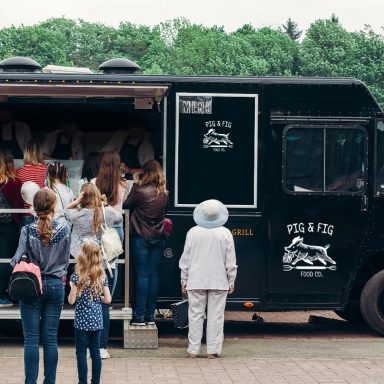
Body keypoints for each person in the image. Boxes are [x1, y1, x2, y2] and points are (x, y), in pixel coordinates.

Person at [11, 188, 71, 383]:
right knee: (51, 339)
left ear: (34, 207)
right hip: (55, 285)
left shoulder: (27, 230)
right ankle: (50, 381)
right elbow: (65, 261)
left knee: (31, 340)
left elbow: (15, 261)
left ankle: (30, 381)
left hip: (31, 286)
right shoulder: (64, 230)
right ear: (53, 205)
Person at [65, 183, 122, 359]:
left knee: (82, 302)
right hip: (103, 265)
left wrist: (76, 201)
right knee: (104, 304)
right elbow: (119, 217)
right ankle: (101, 347)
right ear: (97, 196)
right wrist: (105, 203)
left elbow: (65, 211)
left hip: (82, 265)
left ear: (83, 197)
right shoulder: (106, 213)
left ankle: (86, 346)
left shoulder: (78, 214)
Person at [179, 199, 237, 359]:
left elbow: (185, 260)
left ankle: (193, 349)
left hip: (196, 280)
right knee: (216, 315)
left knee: (195, 314)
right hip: (219, 281)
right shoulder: (225, 233)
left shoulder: (193, 232)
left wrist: (184, 280)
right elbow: (230, 261)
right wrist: (231, 280)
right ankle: (213, 350)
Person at [92, 151, 130, 357]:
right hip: (115, 232)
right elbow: (120, 212)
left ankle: (93, 345)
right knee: (107, 287)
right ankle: (101, 346)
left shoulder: (92, 182)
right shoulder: (124, 186)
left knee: (94, 283)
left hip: (96, 229)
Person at [123, 160, 168, 325]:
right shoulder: (163, 192)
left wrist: (135, 184)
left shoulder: (141, 191)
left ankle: (139, 316)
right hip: (158, 237)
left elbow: (126, 204)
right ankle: (150, 315)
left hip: (141, 237)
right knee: (153, 275)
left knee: (142, 276)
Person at [68, 239, 111, 384]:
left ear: (82, 255)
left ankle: (82, 382)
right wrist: (97, 298)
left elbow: (71, 301)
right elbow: (108, 299)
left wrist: (72, 288)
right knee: (95, 352)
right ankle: (96, 381)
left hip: (81, 321)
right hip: (97, 320)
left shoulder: (77, 276)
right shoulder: (101, 276)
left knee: (81, 353)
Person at [0, 150, 24, 307]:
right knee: (5, 260)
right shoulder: (15, 182)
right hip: (8, 227)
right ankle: (2, 296)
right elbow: (18, 206)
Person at [17, 139, 47, 226]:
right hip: (43, 214)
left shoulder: (20, 172)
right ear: (39, 153)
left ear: (26, 153)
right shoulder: (47, 170)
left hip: (26, 214)